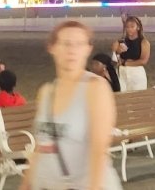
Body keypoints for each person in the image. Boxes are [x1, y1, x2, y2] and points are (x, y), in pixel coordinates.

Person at [19, 21, 121, 190]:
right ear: (52, 47)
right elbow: (40, 148)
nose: (72, 50)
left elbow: (98, 151)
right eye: (65, 43)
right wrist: (25, 185)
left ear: (88, 49)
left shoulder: (95, 88)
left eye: (79, 44)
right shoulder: (47, 92)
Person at [111, 16, 150, 92]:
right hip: (122, 72)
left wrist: (125, 63)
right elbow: (114, 60)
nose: (129, 29)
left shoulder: (144, 42)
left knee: (137, 97)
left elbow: (144, 61)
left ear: (138, 27)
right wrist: (117, 52)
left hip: (136, 72)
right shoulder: (120, 42)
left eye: (132, 26)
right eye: (127, 27)